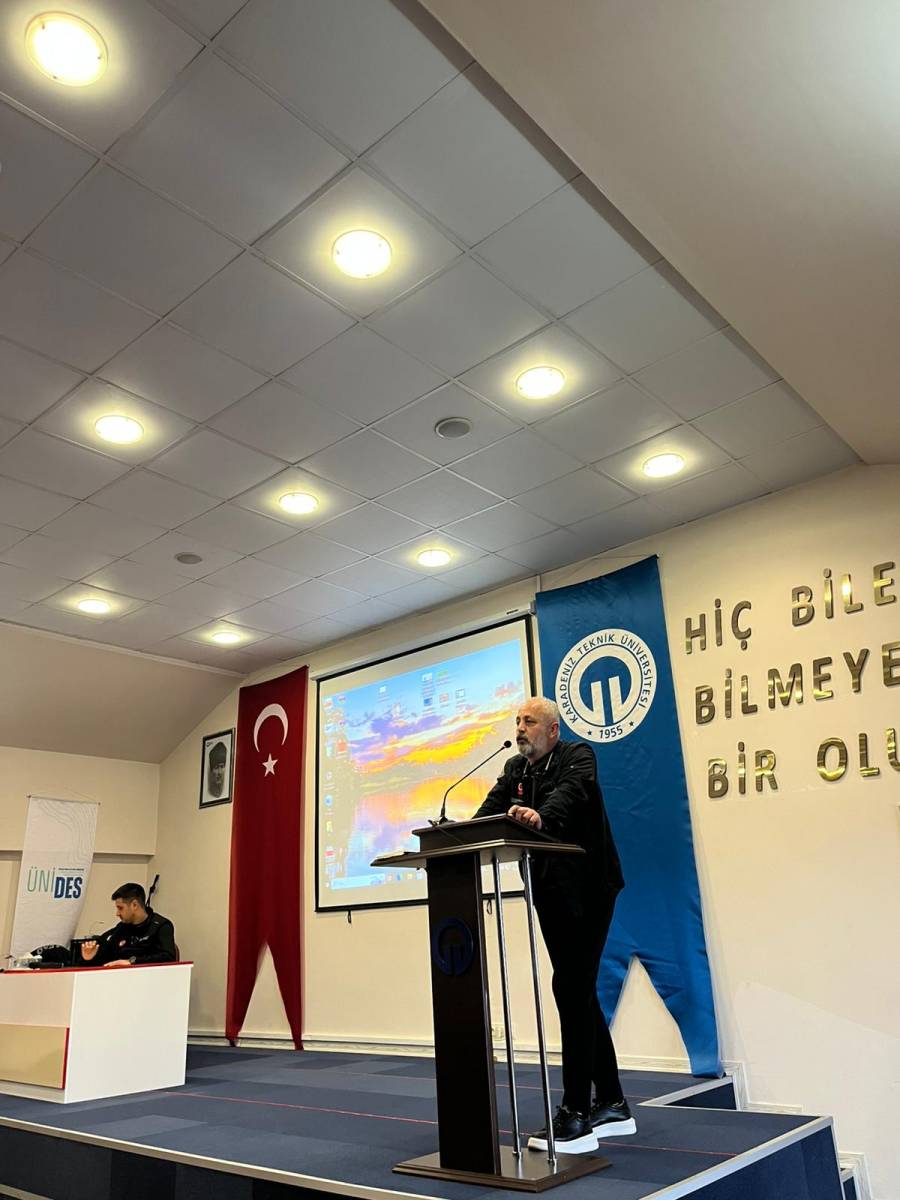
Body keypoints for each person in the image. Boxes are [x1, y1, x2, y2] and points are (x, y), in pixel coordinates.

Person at [473, 697, 633, 1154]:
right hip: (549, 889)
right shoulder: (515, 769)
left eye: (529, 721)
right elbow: (489, 813)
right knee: (576, 989)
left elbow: (571, 794)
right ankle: (613, 1102)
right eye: (517, 721)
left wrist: (542, 815)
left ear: (552, 730)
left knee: (570, 987)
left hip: (590, 888)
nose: (520, 728)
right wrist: (456, 833)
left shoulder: (577, 756)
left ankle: (577, 1114)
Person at [78, 883, 177, 967]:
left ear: (134, 905)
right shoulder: (121, 928)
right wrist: (89, 958)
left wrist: (132, 962)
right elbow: (106, 959)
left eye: (120, 908)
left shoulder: (161, 926)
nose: (117, 913)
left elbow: (168, 957)